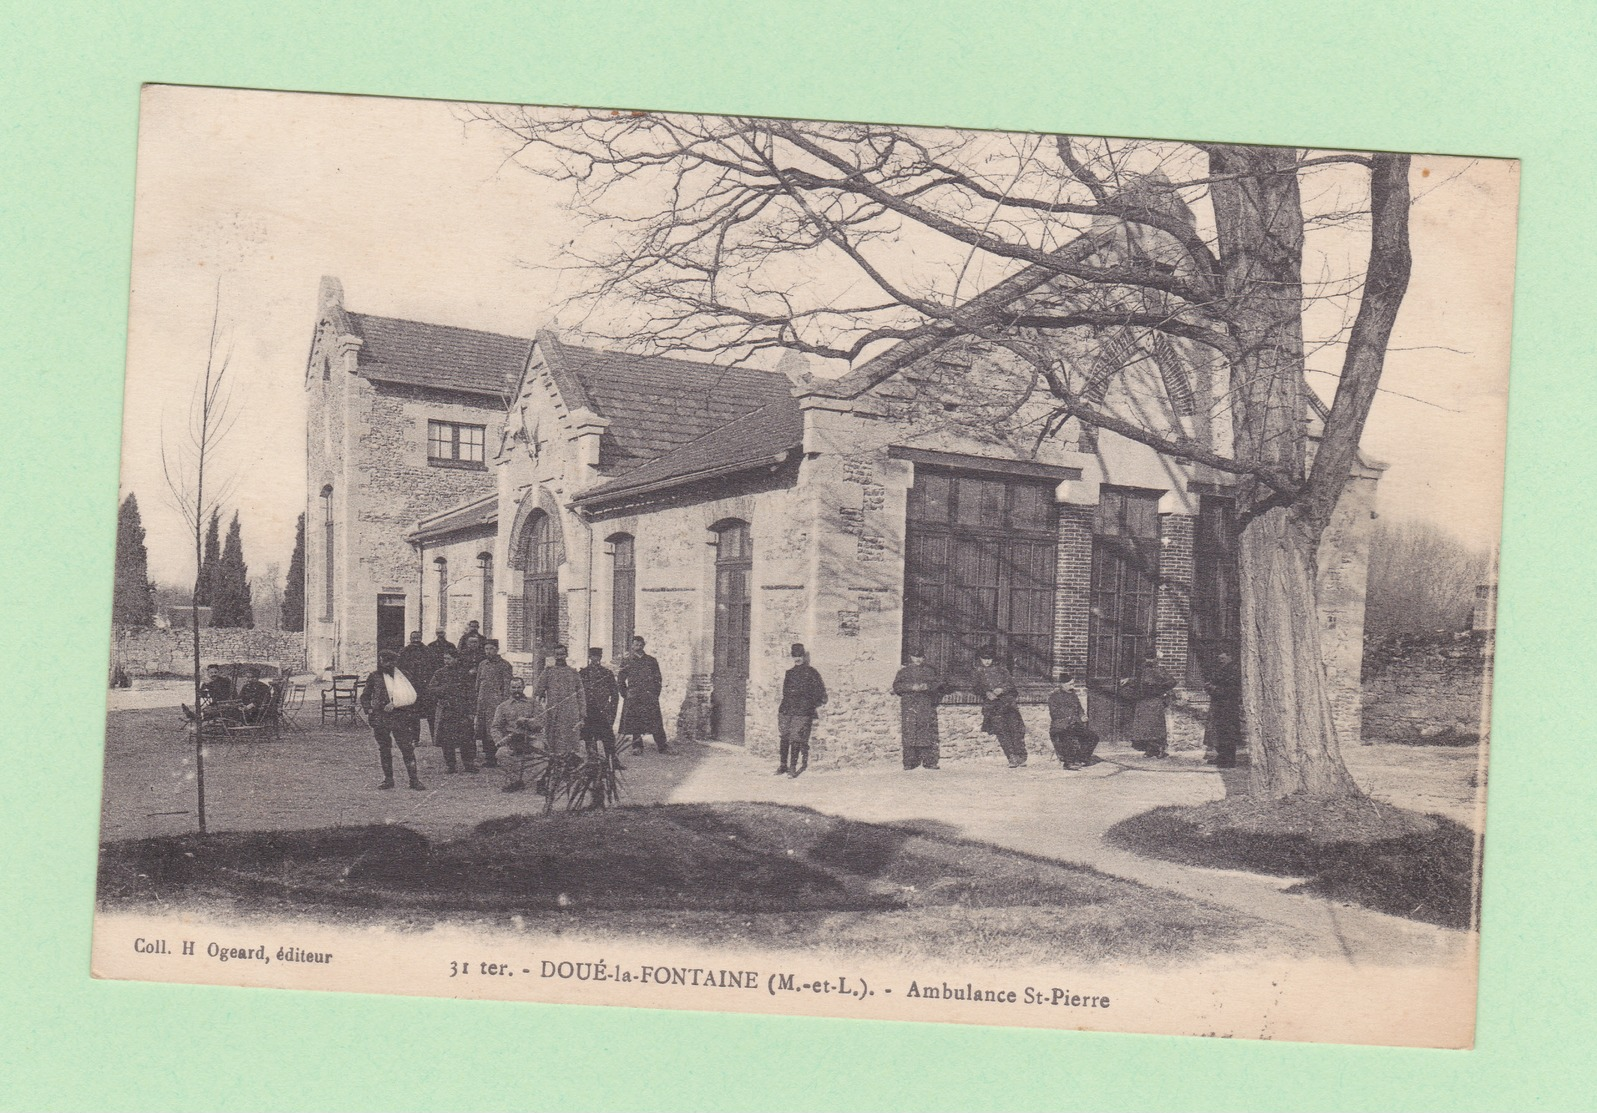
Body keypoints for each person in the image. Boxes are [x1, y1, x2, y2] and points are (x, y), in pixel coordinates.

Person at [358, 650, 425, 790]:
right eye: (383, 661)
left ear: (395, 662)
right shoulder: (374, 676)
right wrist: (369, 710)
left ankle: (414, 780)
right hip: (380, 718)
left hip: (400, 718)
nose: (385, 664)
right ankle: (388, 780)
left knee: (407, 749)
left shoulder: (404, 676)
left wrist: (397, 705)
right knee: (384, 749)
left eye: (389, 661)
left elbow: (412, 697)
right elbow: (365, 696)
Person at [776, 643, 828, 778]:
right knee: (784, 737)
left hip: (802, 711)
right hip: (786, 710)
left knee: (796, 739)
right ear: (792, 657)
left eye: (800, 655)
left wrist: (808, 705)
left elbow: (820, 693)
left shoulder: (811, 673)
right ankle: (783, 765)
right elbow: (785, 693)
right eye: (795, 655)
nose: (797, 658)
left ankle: (792, 768)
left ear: (804, 656)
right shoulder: (789, 673)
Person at [890, 647, 945, 770]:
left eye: (920, 657)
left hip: (924, 704)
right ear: (911, 657)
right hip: (909, 705)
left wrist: (928, 686)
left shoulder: (930, 671)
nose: (918, 659)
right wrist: (911, 687)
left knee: (925, 731)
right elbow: (897, 686)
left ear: (923, 657)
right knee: (909, 731)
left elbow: (939, 683)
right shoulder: (903, 672)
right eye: (915, 657)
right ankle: (909, 762)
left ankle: (929, 761)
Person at [427, 646, 479, 773]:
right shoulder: (439, 673)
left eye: (449, 659)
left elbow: (471, 693)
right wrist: (444, 688)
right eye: (445, 659)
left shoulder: (464, 673)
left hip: (462, 711)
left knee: (467, 738)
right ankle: (451, 765)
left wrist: (471, 711)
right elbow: (431, 689)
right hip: (447, 710)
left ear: (456, 659)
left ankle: (469, 764)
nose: (446, 661)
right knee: (447, 739)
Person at [975, 647, 1028, 767]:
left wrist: (1002, 689)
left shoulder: (1002, 671)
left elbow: (1011, 685)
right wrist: (986, 693)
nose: (987, 662)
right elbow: (976, 687)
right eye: (984, 659)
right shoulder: (978, 672)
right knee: (1001, 731)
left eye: (989, 659)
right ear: (980, 659)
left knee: (1016, 729)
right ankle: (1011, 757)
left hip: (1008, 704)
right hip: (993, 706)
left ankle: (1021, 755)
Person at [617, 635, 669, 754]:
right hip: (634, 696)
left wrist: (655, 693)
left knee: (655, 721)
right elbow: (620, 680)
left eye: (641, 645)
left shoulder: (651, 661)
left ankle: (662, 745)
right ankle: (637, 746)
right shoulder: (627, 661)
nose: (638, 647)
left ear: (644, 645)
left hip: (649, 696)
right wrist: (625, 694)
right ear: (632, 646)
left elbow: (658, 679)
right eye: (636, 644)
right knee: (635, 721)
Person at [532, 645, 587, 755]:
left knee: (570, 742)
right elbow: (538, 692)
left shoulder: (573, 673)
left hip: (570, 713)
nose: (559, 657)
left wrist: (582, 713)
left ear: (566, 655)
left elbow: (581, 695)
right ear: (554, 656)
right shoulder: (548, 672)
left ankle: (570, 767)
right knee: (553, 741)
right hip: (553, 713)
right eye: (557, 654)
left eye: (562, 654)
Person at [491, 681, 545, 792]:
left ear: (523, 687)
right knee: (501, 753)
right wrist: (500, 740)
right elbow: (495, 727)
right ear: (510, 688)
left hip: (531, 737)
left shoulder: (533, 704)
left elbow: (541, 722)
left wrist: (528, 722)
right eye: (513, 687)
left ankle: (541, 782)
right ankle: (515, 781)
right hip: (512, 739)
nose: (516, 690)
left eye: (519, 687)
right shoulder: (503, 707)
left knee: (540, 749)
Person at [1122, 651, 1177, 758]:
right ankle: (1150, 749)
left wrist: (1161, 689)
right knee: (1145, 726)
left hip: (1155, 701)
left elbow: (1172, 681)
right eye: (1147, 658)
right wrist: (1128, 680)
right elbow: (1138, 682)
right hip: (1143, 700)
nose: (1149, 661)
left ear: (1156, 659)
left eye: (1151, 658)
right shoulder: (1142, 670)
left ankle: (1161, 749)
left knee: (1157, 726)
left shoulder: (1160, 670)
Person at [474, 639, 517, 768]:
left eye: (491, 649)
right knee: (482, 729)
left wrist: (503, 703)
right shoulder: (482, 664)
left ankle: (496, 757)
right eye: (486, 649)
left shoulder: (504, 665)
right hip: (483, 702)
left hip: (496, 703)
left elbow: (507, 685)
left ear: (497, 650)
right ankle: (488, 757)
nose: (488, 652)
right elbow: (478, 683)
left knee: (494, 729)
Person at [579, 647, 622, 769]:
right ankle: (593, 759)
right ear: (589, 657)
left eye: (598, 657)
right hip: (588, 710)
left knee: (607, 735)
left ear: (600, 658)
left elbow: (614, 694)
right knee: (589, 735)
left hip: (603, 710)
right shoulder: (583, 673)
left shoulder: (607, 674)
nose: (595, 659)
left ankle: (612, 759)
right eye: (593, 656)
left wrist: (612, 711)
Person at [1047, 672, 1097, 769]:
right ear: (1062, 684)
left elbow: (1079, 708)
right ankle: (1068, 763)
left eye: (1072, 684)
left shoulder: (1073, 695)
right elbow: (1055, 714)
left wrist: (1082, 715)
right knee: (1068, 736)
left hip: (1074, 724)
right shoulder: (1054, 697)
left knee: (1093, 737)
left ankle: (1081, 759)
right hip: (1060, 726)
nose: (1072, 686)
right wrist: (1072, 717)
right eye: (1070, 684)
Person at [1205, 649, 1242, 769]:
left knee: (1228, 733)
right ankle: (1222, 757)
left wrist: (1214, 688)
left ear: (1230, 657)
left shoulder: (1233, 670)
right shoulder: (1223, 669)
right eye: (1219, 659)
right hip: (1220, 705)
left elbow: (1231, 690)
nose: (1220, 661)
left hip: (1228, 706)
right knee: (1221, 732)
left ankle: (1229, 760)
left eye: (1223, 659)